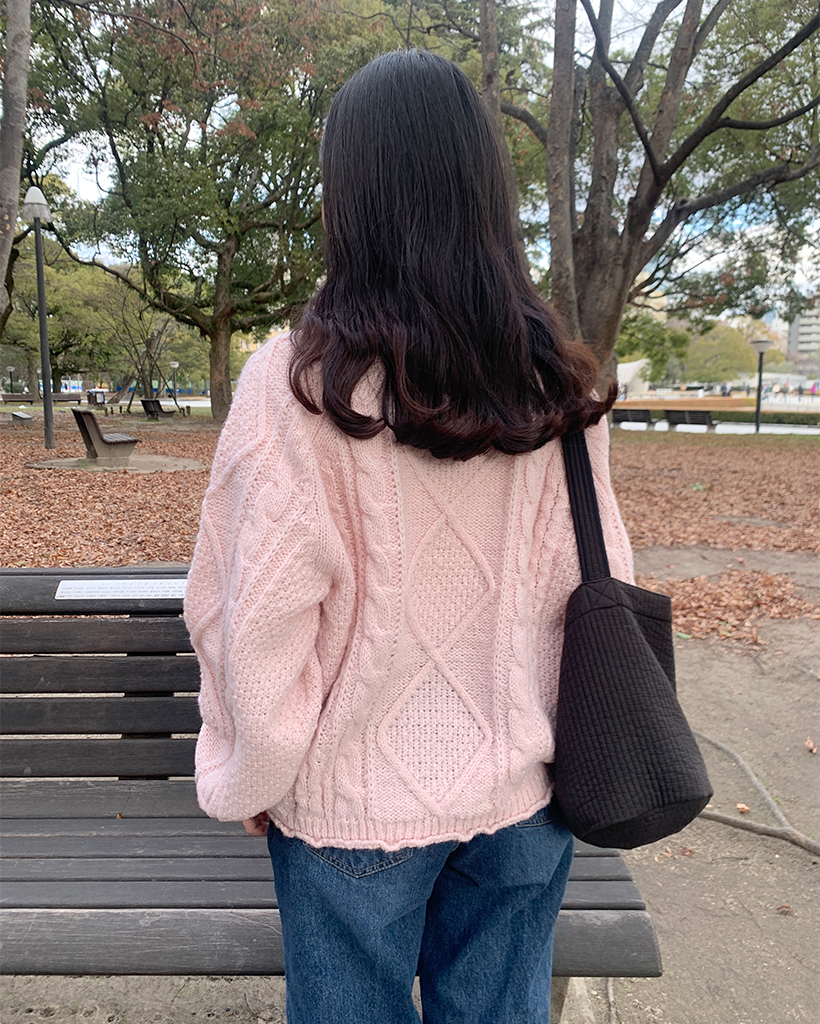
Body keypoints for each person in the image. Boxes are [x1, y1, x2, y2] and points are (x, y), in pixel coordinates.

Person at [184, 49, 634, 1024]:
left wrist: (254, 771)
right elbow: (596, 583)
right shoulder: (561, 388)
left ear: (350, 198)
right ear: (486, 189)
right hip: (522, 803)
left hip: (350, 811)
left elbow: (251, 617)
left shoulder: (295, 387)